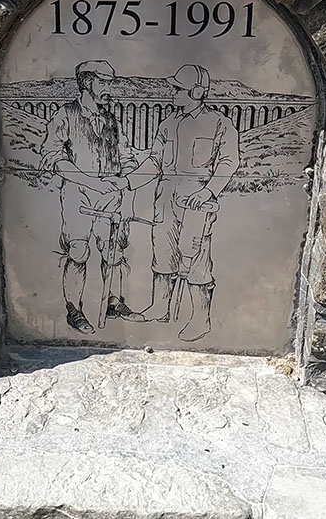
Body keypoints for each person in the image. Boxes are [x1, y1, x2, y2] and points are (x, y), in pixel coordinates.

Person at [38, 60, 143, 334]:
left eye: (110, 82)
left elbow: (126, 155)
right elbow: (53, 157)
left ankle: (113, 301)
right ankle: (74, 309)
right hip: (78, 195)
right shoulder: (65, 115)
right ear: (87, 82)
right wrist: (88, 182)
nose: (110, 88)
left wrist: (125, 178)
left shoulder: (111, 119)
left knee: (114, 251)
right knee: (78, 251)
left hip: (111, 195)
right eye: (104, 82)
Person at [140, 64, 240, 341]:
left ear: (197, 92)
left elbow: (229, 161)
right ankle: (160, 307)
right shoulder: (168, 124)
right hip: (166, 197)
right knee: (163, 253)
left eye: (178, 89)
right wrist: (126, 183)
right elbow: (154, 160)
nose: (173, 93)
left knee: (196, 258)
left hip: (197, 200)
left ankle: (200, 319)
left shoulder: (220, 123)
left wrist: (209, 191)